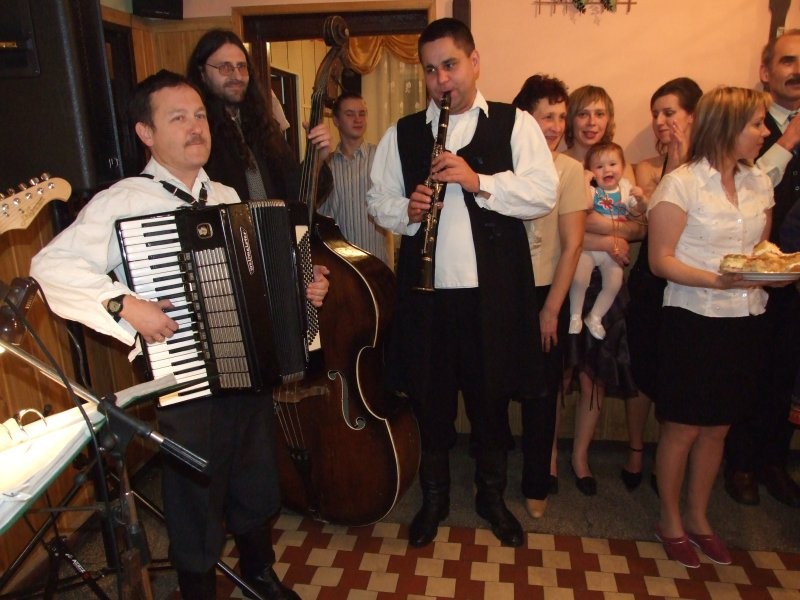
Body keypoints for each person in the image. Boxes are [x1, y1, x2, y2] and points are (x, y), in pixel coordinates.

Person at [30, 71, 329, 599]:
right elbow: (49, 266)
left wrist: (305, 286)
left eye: (199, 116)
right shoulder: (122, 201)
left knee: (256, 479)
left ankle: (259, 571)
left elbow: (269, 275)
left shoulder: (227, 194)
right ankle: (197, 589)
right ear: (146, 133)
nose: (196, 127)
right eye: (178, 118)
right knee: (196, 497)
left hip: (249, 374)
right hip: (185, 381)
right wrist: (125, 305)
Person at [367, 18, 558, 547]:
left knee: (490, 401)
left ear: (474, 62)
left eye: (449, 65)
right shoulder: (404, 132)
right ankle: (434, 498)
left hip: (492, 297)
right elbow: (378, 201)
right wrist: (407, 210)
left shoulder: (515, 123)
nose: (441, 80)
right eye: (431, 70)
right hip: (426, 297)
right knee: (430, 401)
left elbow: (543, 193)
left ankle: (491, 497)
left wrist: (479, 182)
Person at [648, 86, 773, 568]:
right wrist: (716, 280)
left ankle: (699, 517)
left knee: (718, 428)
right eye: (756, 124)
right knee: (682, 428)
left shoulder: (758, 181)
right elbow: (660, 261)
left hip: (745, 319)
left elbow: (759, 252)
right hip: (693, 319)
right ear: (727, 127)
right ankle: (670, 519)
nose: (765, 132)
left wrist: (772, 272)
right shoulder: (681, 184)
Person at [723, 29, 800, 508]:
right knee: (751, 368)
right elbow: (741, 181)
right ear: (765, 71)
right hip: (754, 271)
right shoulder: (746, 122)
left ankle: (775, 460)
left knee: (788, 370)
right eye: (788, 61)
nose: (798, 70)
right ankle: (742, 463)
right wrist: (788, 141)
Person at [557, 85, 641, 496]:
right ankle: (547, 455)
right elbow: (561, 231)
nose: (591, 122)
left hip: (606, 285)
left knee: (595, 378)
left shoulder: (622, 168)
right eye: (583, 114)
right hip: (565, 278)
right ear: (571, 120)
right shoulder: (557, 164)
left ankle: (581, 456)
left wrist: (605, 230)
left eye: (600, 114)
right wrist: (609, 235)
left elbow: (640, 226)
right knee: (558, 373)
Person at [511, 74, 588, 519]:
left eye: (561, 116)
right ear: (525, 119)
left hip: (547, 293)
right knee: (495, 388)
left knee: (541, 396)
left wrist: (551, 310)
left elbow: (573, 245)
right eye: (547, 116)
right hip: (503, 290)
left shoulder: (571, 171)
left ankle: (536, 483)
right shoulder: (505, 165)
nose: (556, 126)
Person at [625, 77, 702, 490]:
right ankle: (636, 448)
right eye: (655, 114)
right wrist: (673, 160)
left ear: (694, 116)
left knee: (677, 372)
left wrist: (685, 157)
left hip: (690, 282)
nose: (659, 121)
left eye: (668, 112)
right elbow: (653, 220)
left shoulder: (709, 169)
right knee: (642, 367)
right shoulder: (648, 167)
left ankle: (667, 458)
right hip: (649, 279)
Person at [186, 29, 332, 205]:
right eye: (225, 67)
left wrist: (316, 159)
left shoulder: (263, 125)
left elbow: (295, 195)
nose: (237, 76)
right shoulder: (197, 133)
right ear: (202, 72)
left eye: (242, 67)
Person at [568, 142, 643, 341]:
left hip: (614, 251)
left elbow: (637, 213)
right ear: (591, 171)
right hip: (590, 248)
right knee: (580, 278)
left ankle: (595, 317)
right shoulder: (593, 190)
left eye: (613, 164)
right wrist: (586, 181)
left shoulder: (625, 187)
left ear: (623, 167)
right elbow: (585, 207)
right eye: (599, 167)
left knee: (614, 282)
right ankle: (575, 315)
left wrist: (640, 200)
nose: (607, 170)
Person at [318, 92, 391, 265]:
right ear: (336, 120)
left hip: (376, 264)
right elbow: (320, 217)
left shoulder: (381, 157)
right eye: (350, 114)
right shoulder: (325, 164)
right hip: (339, 265)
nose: (358, 119)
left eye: (362, 113)